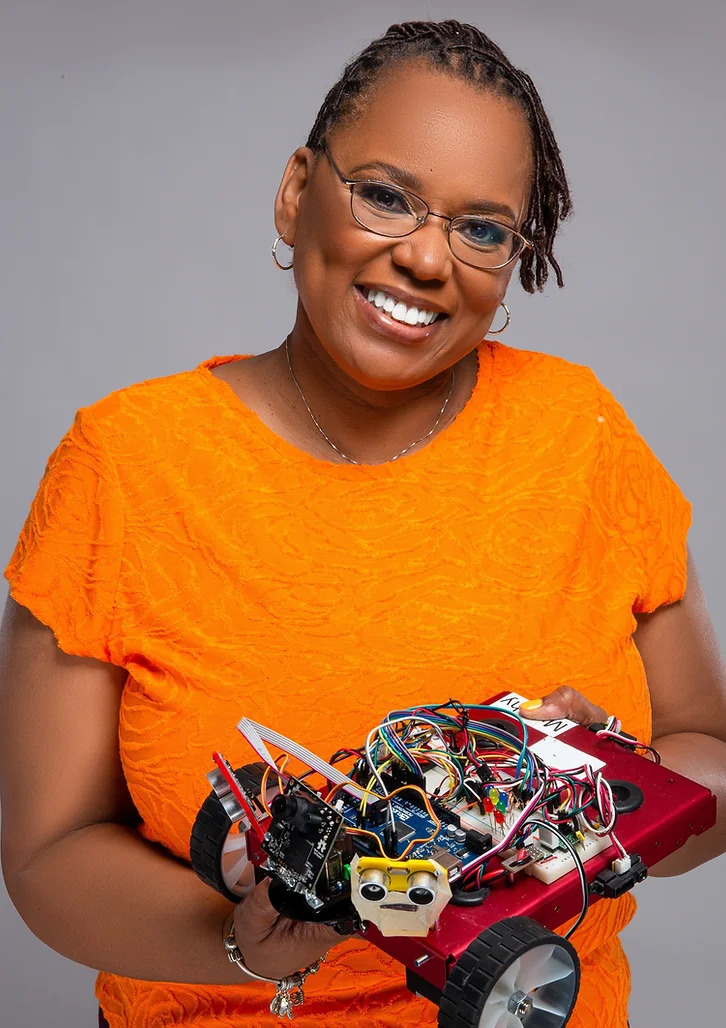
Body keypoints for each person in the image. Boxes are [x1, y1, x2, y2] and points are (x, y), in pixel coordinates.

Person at [1, 17, 724, 1028]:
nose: (428, 256)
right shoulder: (124, 466)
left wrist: (613, 798)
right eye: (386, 195)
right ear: (299, 191)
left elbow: (709, 750)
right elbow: (45, 852)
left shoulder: (581, 432)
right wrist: (237, 941)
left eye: (482, 227)